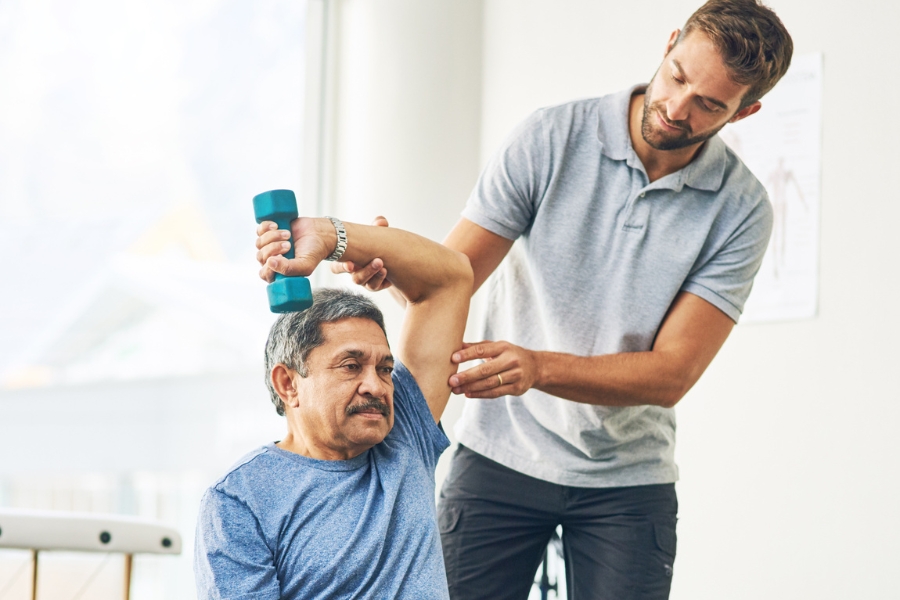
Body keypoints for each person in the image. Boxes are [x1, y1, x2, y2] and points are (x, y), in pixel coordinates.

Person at [329, 1, 794, 598]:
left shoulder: (741, 209)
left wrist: (538, 367)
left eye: (710, 104)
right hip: (500, 452)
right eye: (678, 77)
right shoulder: (552, 137)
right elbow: (452, 280)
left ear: (746, 111)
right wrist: (393, 270)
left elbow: (671, 373)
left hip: (629, 479)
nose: (678, 108)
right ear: (669, 43)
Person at [194, 216, 472, 599]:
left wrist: (332, 237)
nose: (377, 386)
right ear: (288, 383)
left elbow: (452, 277)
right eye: (351, 366)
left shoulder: (404, 431)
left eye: (385, 369)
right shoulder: (239, 501)